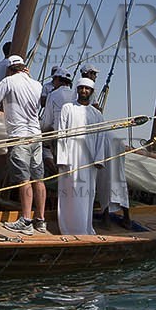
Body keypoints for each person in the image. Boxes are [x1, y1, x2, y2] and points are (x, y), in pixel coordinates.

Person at [0, 57, 45, 234]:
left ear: (9, 68)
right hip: (36, 136)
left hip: (18, 136)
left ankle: (26, 221)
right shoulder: (37, 85)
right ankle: (40, 220)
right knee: (39, 179)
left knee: (23, 179)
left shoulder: (8, 81)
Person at [55, 77, 110, 235]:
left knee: (86, 195)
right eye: (81, 88)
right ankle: (67, 228)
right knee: (68, 192)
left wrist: (99, 159)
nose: (84, 91)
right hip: (70, 159)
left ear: (91, 92)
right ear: (77, 89)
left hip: (89, 161)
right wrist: (63, 158)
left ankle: (83, 229)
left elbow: (101, 138)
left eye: (87, 89)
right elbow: (61, 133)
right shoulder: (68, 108)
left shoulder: (96, 114)